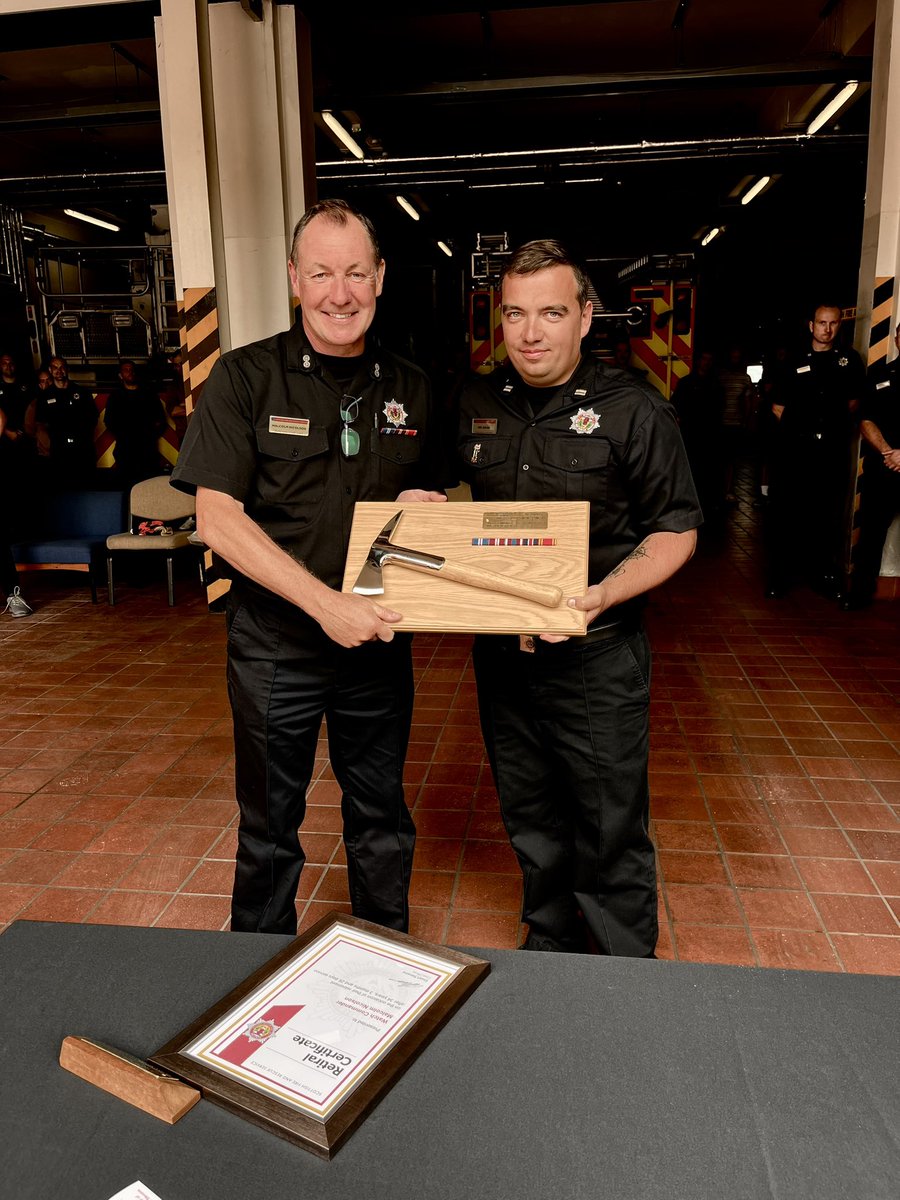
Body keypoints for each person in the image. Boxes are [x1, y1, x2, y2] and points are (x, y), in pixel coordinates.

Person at [171, 199, 445, 936]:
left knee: (381, 818)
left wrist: (436, 504)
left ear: (380, 278)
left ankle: (384, 962)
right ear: (295, 277)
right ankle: (252, 973)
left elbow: (452, 499)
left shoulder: (412, 386)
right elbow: (217, 519)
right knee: (268, 826)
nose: (340, 293)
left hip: (377, 646)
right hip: (275, 648)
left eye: (356, 272)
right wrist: (326, 604)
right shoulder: (245, 378)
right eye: (321, 273)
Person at [454, 240, 701, 957]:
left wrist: (598, 596)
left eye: (552, 313)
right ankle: (553, 943)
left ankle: (622, 964)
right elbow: (453, 500)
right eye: (516, 314)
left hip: (598, 657)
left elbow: (676, 530)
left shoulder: (632, 410)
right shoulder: (476, 400)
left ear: (585, 317)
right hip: (503, 654)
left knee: (608, 819)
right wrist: (428, 499)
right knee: (529, 809)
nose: (531, 333)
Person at [765, 304, 864, 600]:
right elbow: (777, 407)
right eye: (822, 323)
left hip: (831, 449)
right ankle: (779, 577)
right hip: (795, 450)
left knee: (827, 512)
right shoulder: (792, 360)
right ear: (811, 325)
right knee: (786, 512)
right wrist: (802, 432)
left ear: (838, 326)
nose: (827, 329)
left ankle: (822, 574)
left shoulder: (849, 360)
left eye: (833, 323)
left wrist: (827, 429)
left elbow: (853, 402)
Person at [843, 321, 900, 610]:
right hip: (884, 468)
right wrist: (890, 452)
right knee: (871, 534)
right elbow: (865, 420)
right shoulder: (879, 375)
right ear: (896, 338)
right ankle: (861, 594)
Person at [671, 349, 725, 515]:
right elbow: (675, 407)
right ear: (698, 361)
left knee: (708, 470)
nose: (706, 362)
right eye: (704, 359)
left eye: (710, 359)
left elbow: (719, 410)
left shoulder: (716, 385)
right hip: (690, 433)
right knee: (692, 469)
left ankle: (707, 503)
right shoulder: (686, 383)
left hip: (709, 434)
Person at [32, 356, 98, 488]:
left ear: (67, 369)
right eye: (55, 368)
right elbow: (41, 424)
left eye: (62, 367)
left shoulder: (81, 392)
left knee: (87, 485)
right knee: (63, 488)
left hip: (82, 448)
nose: (59, 370)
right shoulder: (45, 397)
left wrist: (83, 436)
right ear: (50, 370)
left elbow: (93, 418)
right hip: (59, 450)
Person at [103, 359, 167, 486]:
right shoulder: (115, 397)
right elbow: (109, 421)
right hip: (125, 450)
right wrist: (123, 436)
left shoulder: (149, 394)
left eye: (132, 369)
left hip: (147, 450)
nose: (130, 372)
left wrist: (150, 436)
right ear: (120, 375)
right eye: (126, 370)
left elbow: (160, 420)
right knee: (126, 485)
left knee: (149, 485)